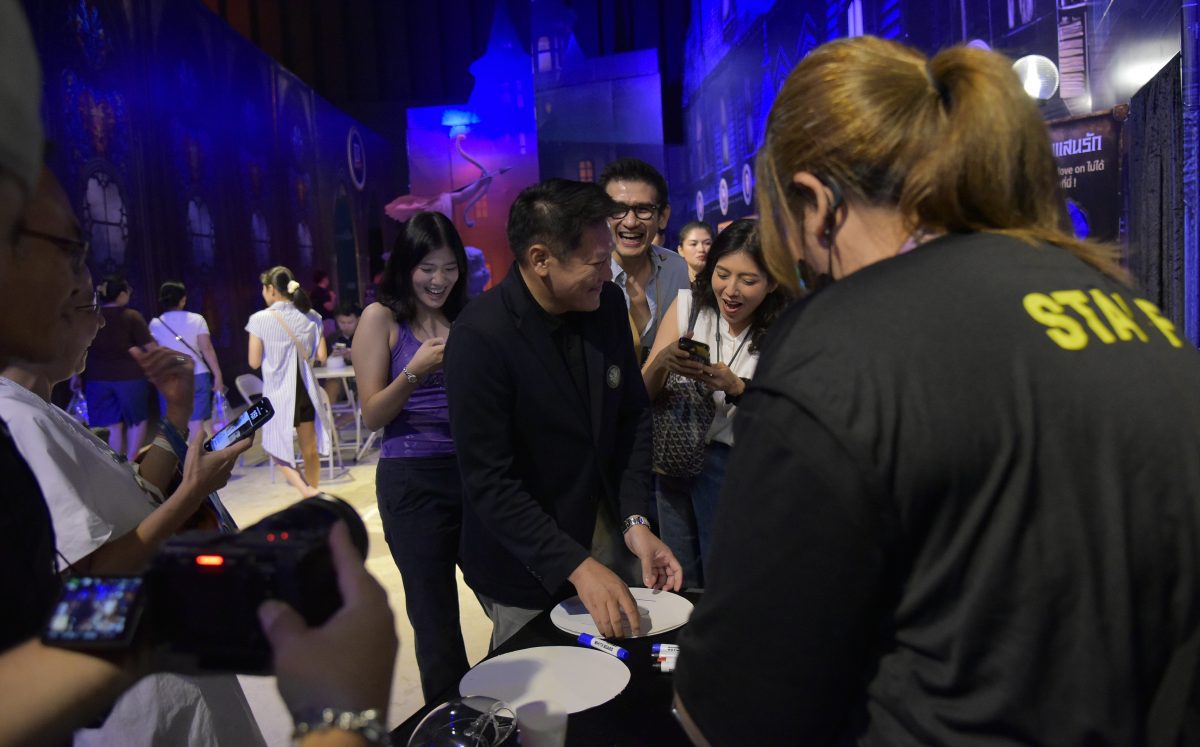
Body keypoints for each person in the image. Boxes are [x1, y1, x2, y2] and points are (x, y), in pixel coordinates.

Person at [672, 36, 1200, 745]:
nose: (791, 258)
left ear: (815, 201)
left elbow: (732, 705)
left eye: (782, 232)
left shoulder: (841, 342)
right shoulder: (1120, 304)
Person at [0, 8, 398, 746]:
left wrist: (179, 429)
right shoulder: (13, 424)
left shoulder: (25, 414)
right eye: (69, 249)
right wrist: (340, 715)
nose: (86, 286)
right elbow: (77, 599)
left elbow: (49, 634)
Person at [0, 259, 263, 745]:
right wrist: (191, 494)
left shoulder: (39, 410)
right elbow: (87, 583)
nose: (101, 324)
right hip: (143, 697)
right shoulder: (18, 421)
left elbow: (138, 496)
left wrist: (177, 412)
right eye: (90, 307)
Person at [444, 179, 683, 648]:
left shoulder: (606, 304)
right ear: (541, 259)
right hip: (524, 561)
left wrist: (635, 521)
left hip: (604, 534)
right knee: (540, 678)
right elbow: (490, 481)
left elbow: (631, 416)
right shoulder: (481, 337)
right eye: (596, 263)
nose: (608, 273)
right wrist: (575, 564)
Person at [356, 211, 471, 701]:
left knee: (505, 591)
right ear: (406, 267)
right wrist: (414, 371)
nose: (439, 279)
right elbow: (372, 414)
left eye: (449, 268)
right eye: (427, 268)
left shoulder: (463, 320)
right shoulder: (381, 318)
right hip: (411, 480)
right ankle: (453, 720)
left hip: (470, 472)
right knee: (435, 616)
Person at [641, 219, 790, 587]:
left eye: (748, 280)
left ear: (772, 282)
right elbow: (640, 394)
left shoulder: (785, 328)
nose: (731, 291)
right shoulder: (689, 306)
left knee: (726, 579)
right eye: (722, 274)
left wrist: (738, 387)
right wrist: (663, 362)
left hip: (737, 471)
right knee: (678, 579)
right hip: (675, 459)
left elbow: (790, 417)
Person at [247, 266, 330, 498]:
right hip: (306, 390)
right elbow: (322, 356)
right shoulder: (312, 316)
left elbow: (254, 362)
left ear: (271, 289)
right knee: (309, 450)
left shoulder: (259, 319)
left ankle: (307, 493)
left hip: (278, 394)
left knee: (275, 449)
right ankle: (314, 494)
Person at [599, 158, 691, 362]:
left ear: (663, 216)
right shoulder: (589, 274)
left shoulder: (676, 268)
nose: (630, 222)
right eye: (617, 209)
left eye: (643, 210)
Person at [83, 274, 154, 459]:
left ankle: (114, 464)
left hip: (97, 378)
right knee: (136, 422)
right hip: (130, 378)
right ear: (122, 294)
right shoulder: (131, 316)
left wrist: (75, 377)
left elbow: (80, 347)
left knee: (109, 426)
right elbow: (151, 348)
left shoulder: (92, 317)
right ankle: (130, 463)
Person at [149, 280, 226, 437]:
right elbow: (207, 349)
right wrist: (218, 374)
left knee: (173, 424)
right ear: (183, 299)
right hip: (197, 374)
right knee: (197, 423)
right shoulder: (197, 319)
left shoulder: (155, 324)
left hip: (169, 377)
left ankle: (181, 453)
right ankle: (196, 452)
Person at [323, 301, 360, 405]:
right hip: (339, 378)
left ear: (358, 320)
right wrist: (332, 358)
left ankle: (361, 413)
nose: (346, 326)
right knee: (332, 384)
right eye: (342, 322)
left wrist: (353, 355)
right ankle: (328, 413)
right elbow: (324, 363)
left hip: (361, 377)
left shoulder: (365, 336)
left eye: (350, 322)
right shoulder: (332, 338)